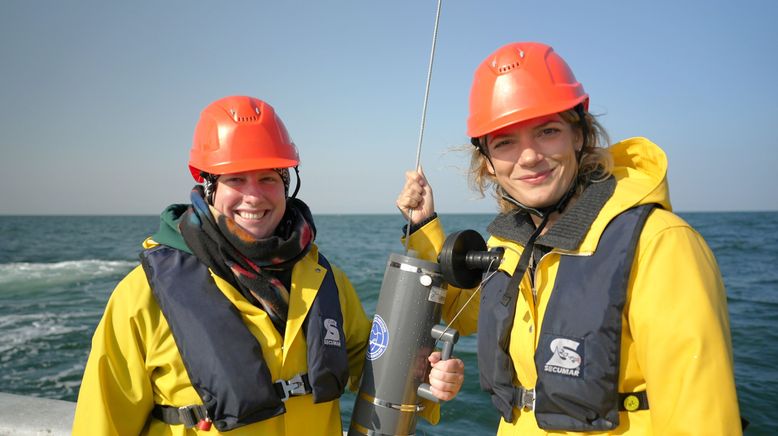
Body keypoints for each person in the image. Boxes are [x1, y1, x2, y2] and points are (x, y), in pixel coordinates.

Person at [397, 42, 742, 434]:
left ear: (579, 136)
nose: (528, 157)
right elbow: (460, 310)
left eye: (547, 132)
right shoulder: (510, 248)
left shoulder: (660, 244)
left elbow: (703, 417)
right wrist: (424, 227)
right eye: (505, 141)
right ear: (489, 163)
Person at [73, 95, 464, 435]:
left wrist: (425, 376)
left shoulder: (325, 280)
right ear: (207, 184)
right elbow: (101, 421)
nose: (253, 196)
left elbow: (373, 366)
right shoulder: (143, 296)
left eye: (267, 178)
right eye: (235, 179)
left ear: (287, 182)